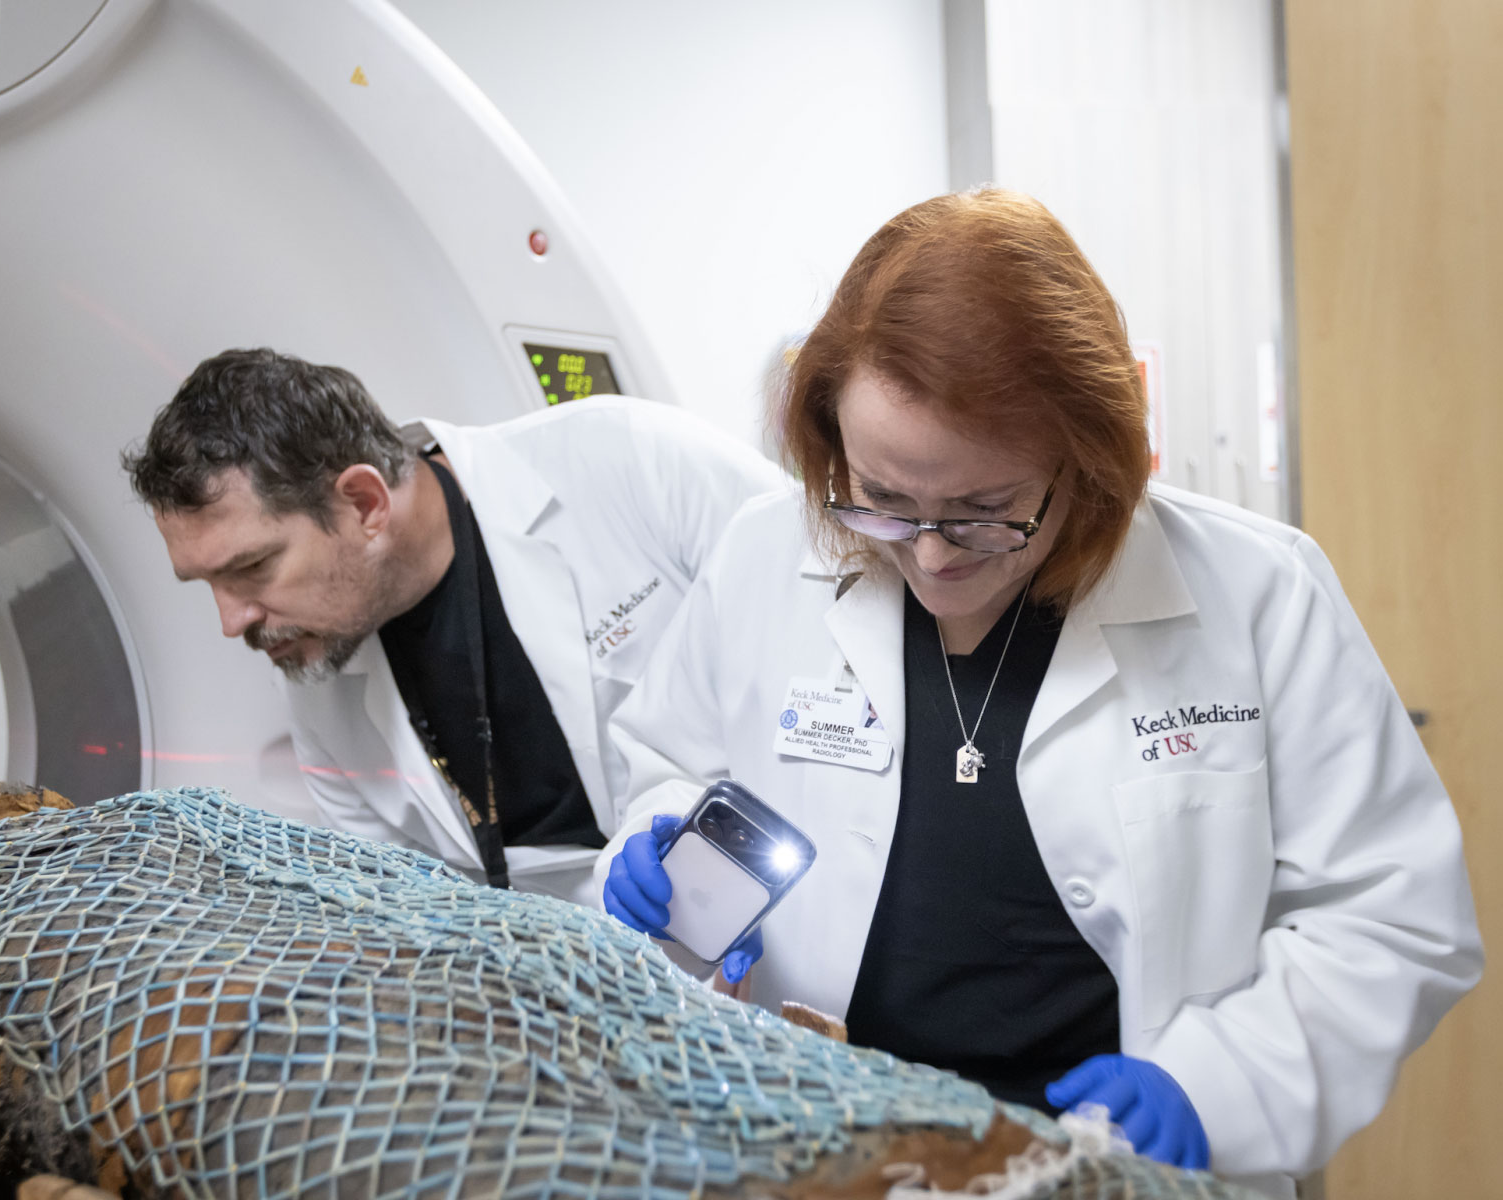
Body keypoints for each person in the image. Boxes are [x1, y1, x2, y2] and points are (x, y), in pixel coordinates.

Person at [594, 190, 1481, 1197]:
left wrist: (1221, 1084)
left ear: (1086, 457)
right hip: (827, 1146)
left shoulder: (1257, 594)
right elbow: (670, 764)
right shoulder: (762, 557)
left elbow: (1392, 913)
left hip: (1110, 1168)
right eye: (884, 499)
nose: (932, 555)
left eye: (985, 509)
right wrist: (655, 852)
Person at [126, 348, 782, 905]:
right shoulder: (318, 691)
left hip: (781, 886)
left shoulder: (629, 461)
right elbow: (407, 915)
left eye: (252, 567)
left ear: (364, 503)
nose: (231, 620)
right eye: (206, 583)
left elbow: (814, 612)